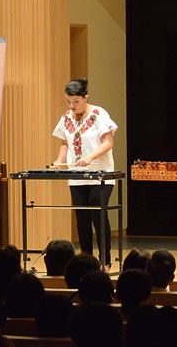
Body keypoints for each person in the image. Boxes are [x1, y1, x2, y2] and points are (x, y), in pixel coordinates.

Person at [53, 78, 118, 271]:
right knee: (82, 220)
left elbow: (108, 142)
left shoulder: (99, 114)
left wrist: (90, 157)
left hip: (101, 175)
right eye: (68, 102)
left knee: (98, 217)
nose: (72, 106)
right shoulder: (67, 117)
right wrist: (59, 160)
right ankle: (86, 261)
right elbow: (65, 142)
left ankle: (105, 261)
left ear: (85, 98)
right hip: (77, 176)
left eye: (76, 102)